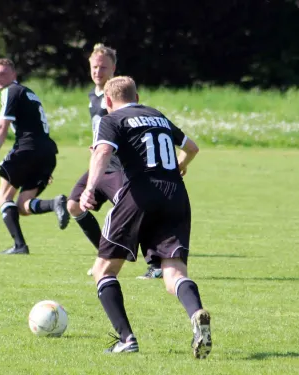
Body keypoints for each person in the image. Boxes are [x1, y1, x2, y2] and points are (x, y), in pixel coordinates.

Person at [80, 76, 212, 358]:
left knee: (104, 271)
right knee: (173, 273)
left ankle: (127, 340)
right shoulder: (157, 116)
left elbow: (102, 151)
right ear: (137, 97)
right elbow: (193, 148)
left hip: (141, 193)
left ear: (108, 101)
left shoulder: (112, 118)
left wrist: (89, 188)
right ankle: (196, 313)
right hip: (177, 194)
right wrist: (181, 166)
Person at [67, 44, 162, 279]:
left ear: (114, 69)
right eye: (94, 67)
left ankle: (156, 263)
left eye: (103, 67)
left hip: (119, 163)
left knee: (133, 208)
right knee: (74, 204)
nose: (98, 71)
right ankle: (105, 255)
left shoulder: (118, 97)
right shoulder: (93, 95)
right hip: (101, 163)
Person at [0, 58, 69, 255]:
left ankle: (20, 246)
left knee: (2, 196)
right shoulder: (28, 93)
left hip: (27, 149)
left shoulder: (10, 91)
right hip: (46, 151)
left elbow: (2, 126)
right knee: (22, 205)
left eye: (3, 73)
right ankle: (55, 203)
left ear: (14, 75)